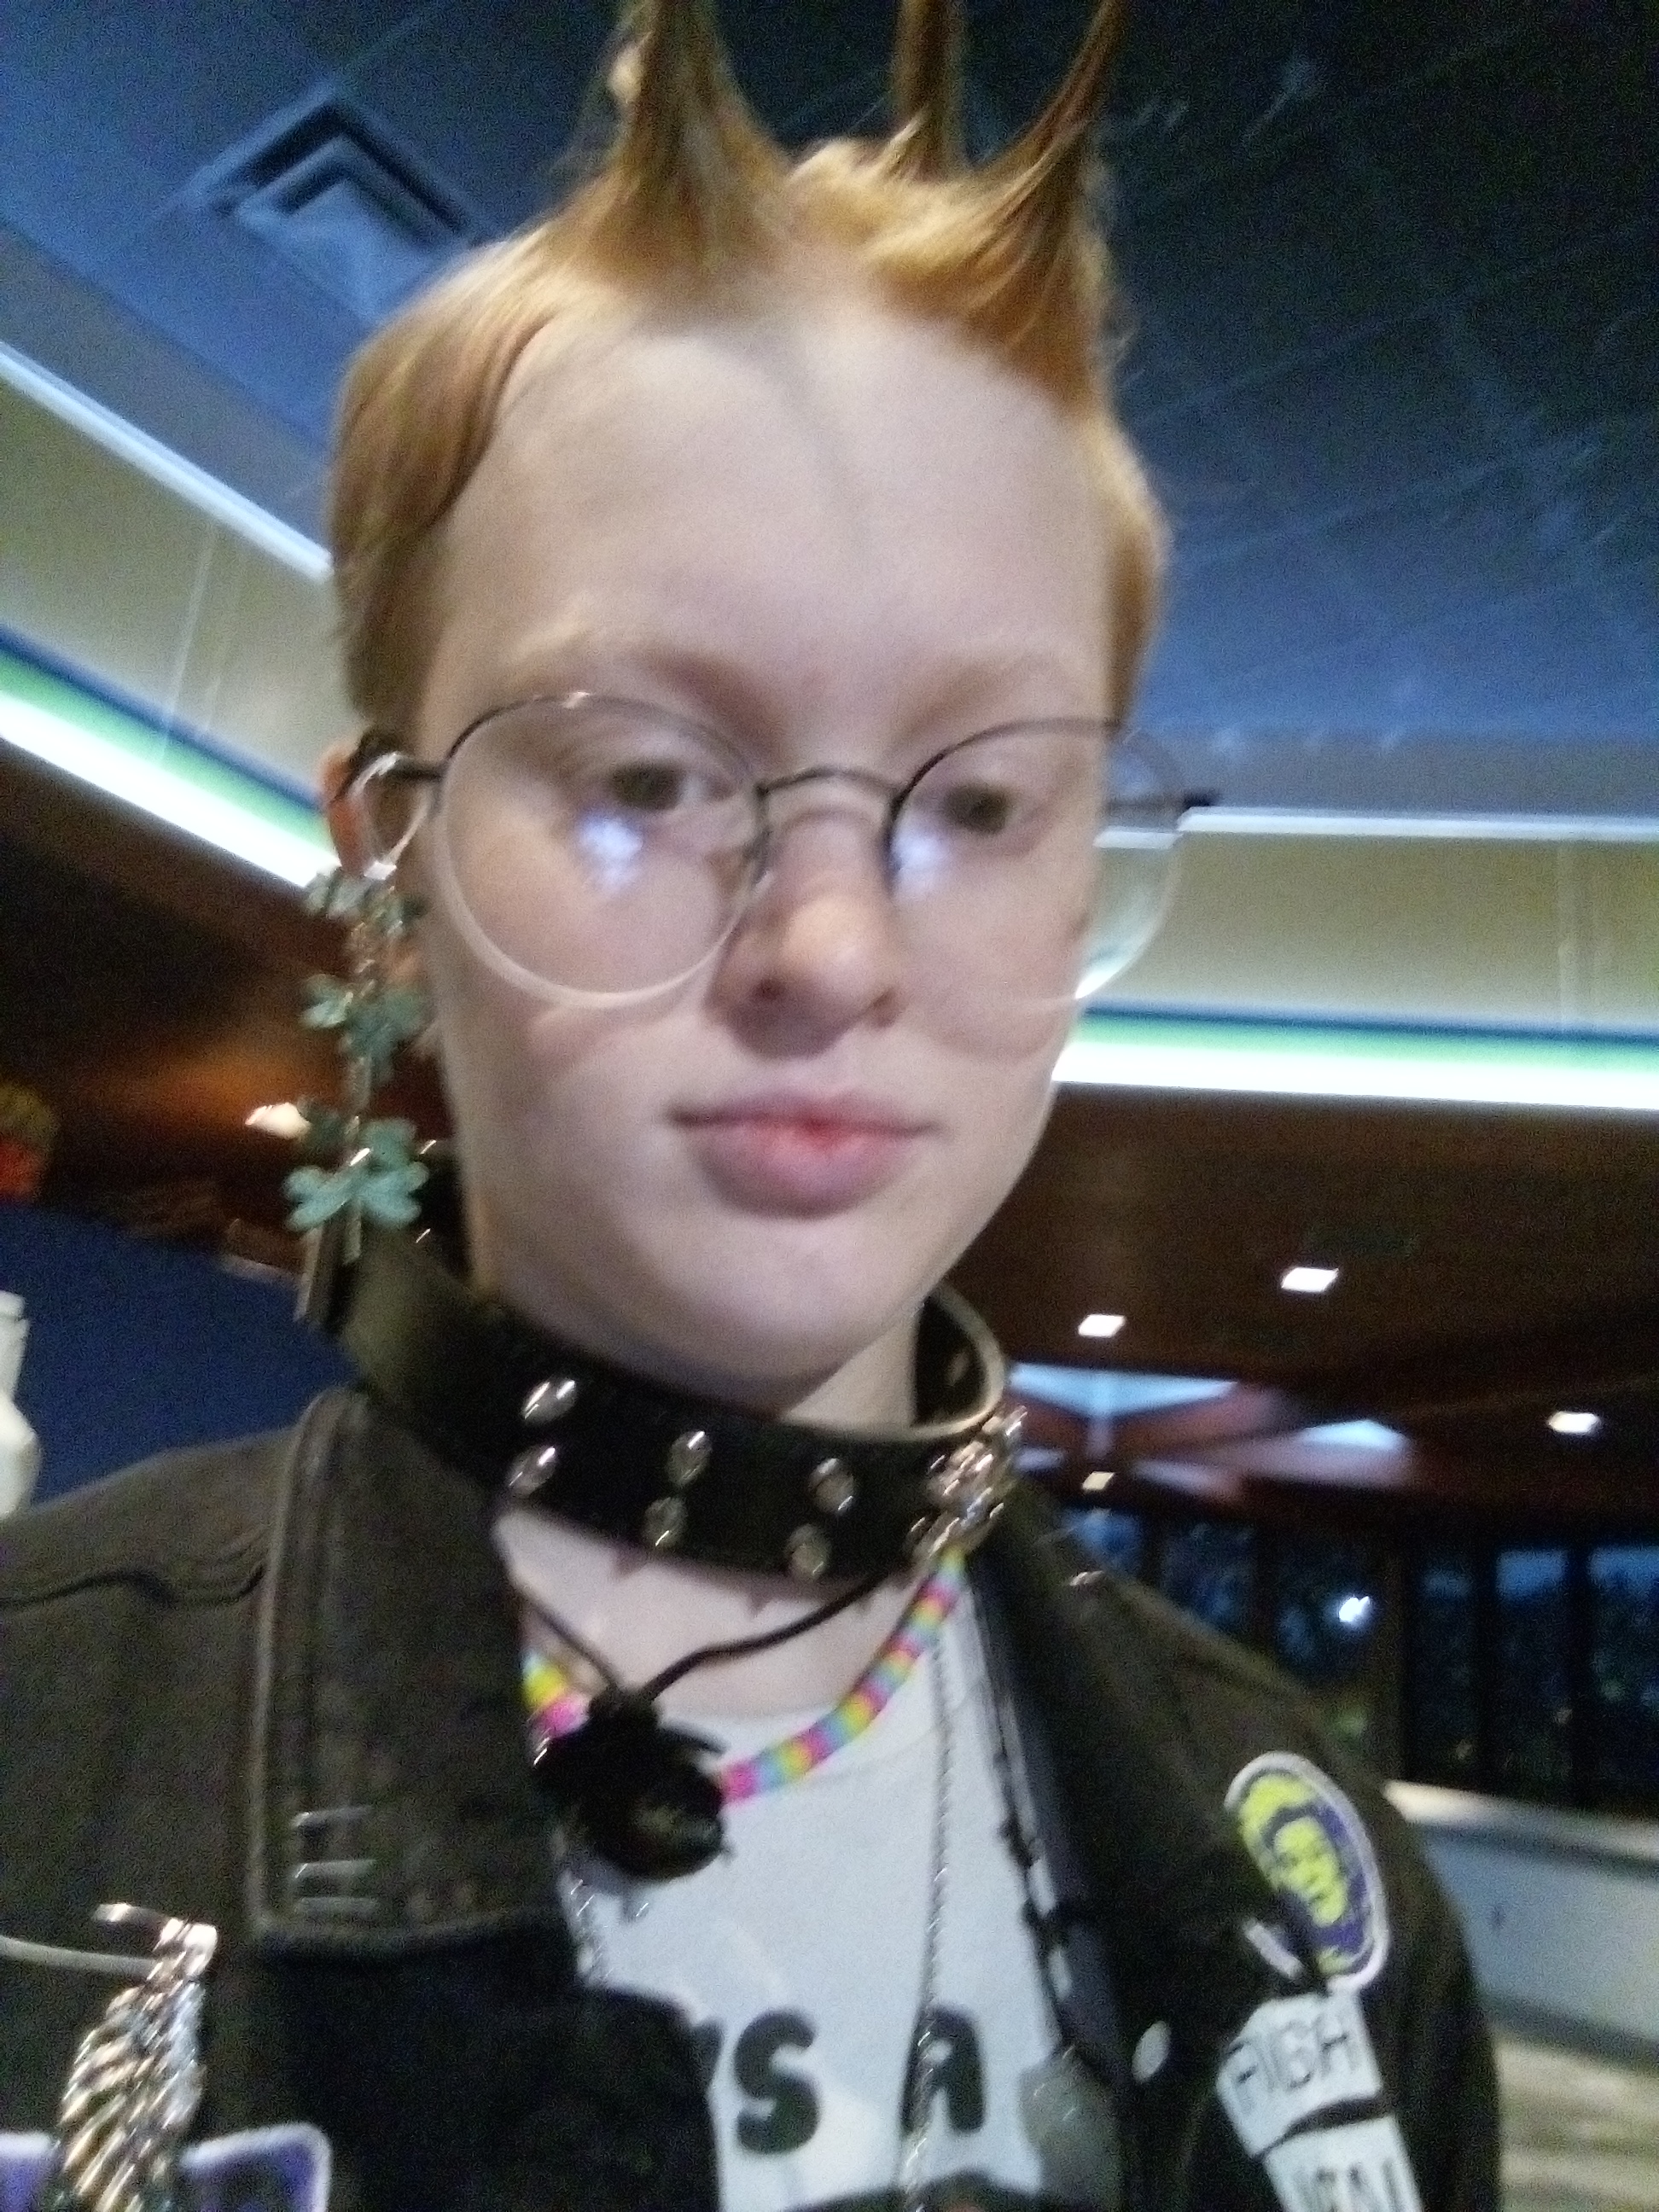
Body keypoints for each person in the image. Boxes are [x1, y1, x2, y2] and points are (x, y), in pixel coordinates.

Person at [0, 3, 1498, 2209]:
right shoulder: (34, 1760)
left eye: (979, 802)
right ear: (391, 860)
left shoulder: (1323, 1902)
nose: (832, 946)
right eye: (644, 774)